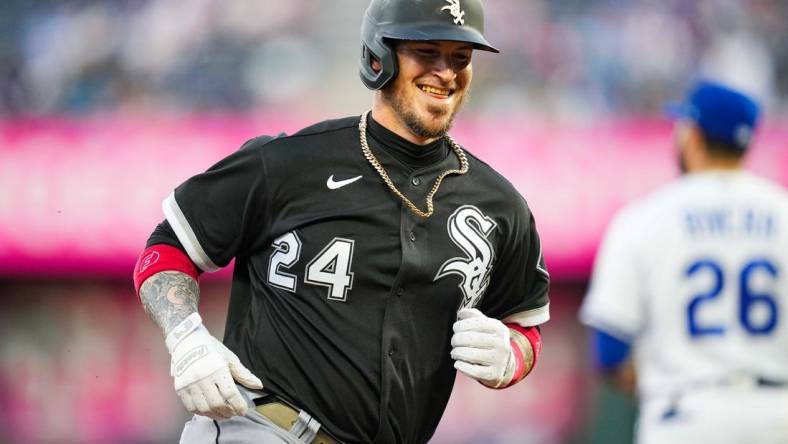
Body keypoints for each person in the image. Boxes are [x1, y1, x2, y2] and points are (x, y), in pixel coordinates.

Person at [132, 1, 550, 443]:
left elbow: (524, 323)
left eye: (460, 58)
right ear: (378, 57)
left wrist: (512, 356)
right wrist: (185, 339)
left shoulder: (500, 206)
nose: (446, 72)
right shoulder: (289, 163)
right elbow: (167, 246)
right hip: (261, 428)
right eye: (427, 52)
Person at [579, 80, 788, 444]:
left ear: (691, 136)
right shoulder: (782, 211)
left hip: (686, 415)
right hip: (776, 414)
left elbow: (608, 351)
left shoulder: (645, 217)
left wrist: (663, 381)